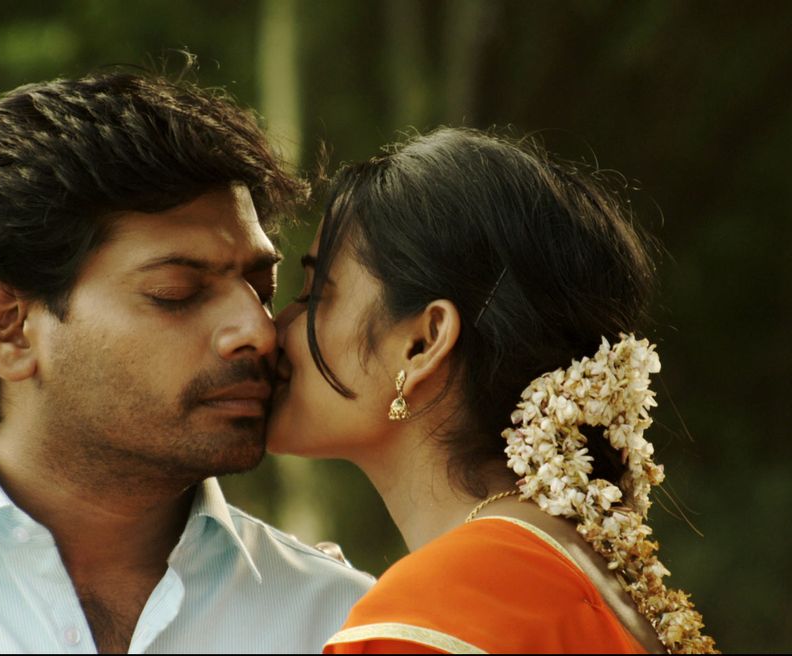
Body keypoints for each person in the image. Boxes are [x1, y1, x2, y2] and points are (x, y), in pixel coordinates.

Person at [0, 70, 372, 653]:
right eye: (177, 292)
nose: (259, 333)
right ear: (6, 327)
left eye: (262, 290)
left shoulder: (345, 623)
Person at [268, 127, 717, 654]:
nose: (275, 328)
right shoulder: (602, 583)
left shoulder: (428, 620)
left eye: (314, 295)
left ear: (423, 342)